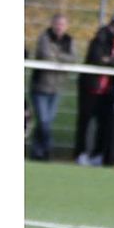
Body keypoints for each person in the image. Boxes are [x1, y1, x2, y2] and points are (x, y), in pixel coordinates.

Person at [75, 15, 114, 166]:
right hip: (91, 88)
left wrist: (110, 60)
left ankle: (98, 154)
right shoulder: (100, 38)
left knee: (104, 124)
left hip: (108, 91)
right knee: (85, 122)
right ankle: (81, 153)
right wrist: (113, 61)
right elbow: (97, 58)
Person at [29, 13, 76, 160]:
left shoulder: (69, 40)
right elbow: (45, 55)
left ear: (66, 26)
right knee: (44, 120)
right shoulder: (45, 37)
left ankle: (37, 151)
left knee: (46, 122)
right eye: (57, 24)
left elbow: (73, 58)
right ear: (52, 24)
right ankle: (47, 149)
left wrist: (57, 55)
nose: (59, 27)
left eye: (62, 24)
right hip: (40, 87)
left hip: (57, 88)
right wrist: (61, 57)